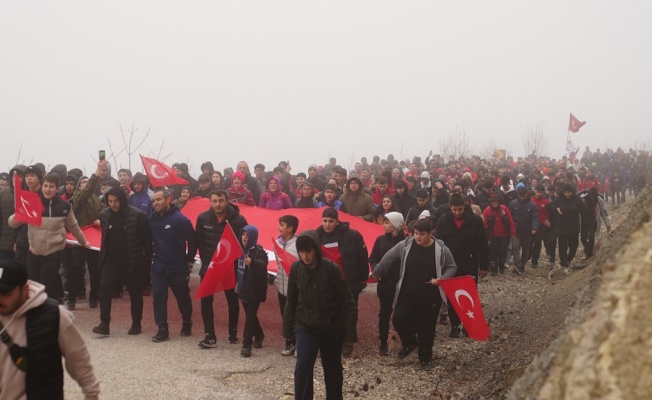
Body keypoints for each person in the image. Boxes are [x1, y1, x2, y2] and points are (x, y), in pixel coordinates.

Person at [0, 259, 100, 399]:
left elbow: (79, 360)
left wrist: (92, 394)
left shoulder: (55, 316)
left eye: (7, 294)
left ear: (25, 289)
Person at [372, 218, 457, 370]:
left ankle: (425, 358)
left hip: (430, 293)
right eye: (416, 233)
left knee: (427, 326)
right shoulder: (406, 244)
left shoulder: (441, 249)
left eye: (422, 234)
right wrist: (377, 272)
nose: (418, 237)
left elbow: (452, 267)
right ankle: (410, 341)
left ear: (431, 233)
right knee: (398, 319)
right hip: (408, 291)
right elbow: (389, 256)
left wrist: (442, 279)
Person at [282, 231, 355, 400]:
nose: (305, 256)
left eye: (308, 251)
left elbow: (348, 303)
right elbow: (291, 300)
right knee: (303, 367)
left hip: (331, 327)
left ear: (316, 249)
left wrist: (349, 336)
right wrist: (287, 327)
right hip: (305, 325)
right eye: (301, 252)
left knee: (333, 369)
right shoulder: (296, 268)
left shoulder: (332, 269)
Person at [9, 173, 90, 300]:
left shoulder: (65, 207)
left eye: (51, 187)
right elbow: (12, 223)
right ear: (42, 187)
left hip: (53, 252)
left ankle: (49, 312)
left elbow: (74, 227)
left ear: (57, 189)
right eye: (45, 186)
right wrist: (15, 218)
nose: (47, 189)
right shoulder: (31, 203)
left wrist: (83, 241)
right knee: (33, 287)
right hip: (34, 251)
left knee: (47, 285)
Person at [92, 186, 152, 336]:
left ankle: (136, 323)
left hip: (131, 261)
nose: (113, 204)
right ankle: (104, 324)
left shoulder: (137, 215)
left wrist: (147, 260)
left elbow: (146, 241)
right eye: (110, 201)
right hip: (110, 261)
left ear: (122, 200)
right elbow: (105, 238)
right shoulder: (105, 215)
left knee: (135, 294)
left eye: (116, 201)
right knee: (104, 290)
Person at [195, 189, 247, 348]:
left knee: (232, 300)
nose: (218, 204)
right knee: (205, 300)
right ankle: (210, 335)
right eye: (215, 201)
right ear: (210, 202)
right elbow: (199, 242)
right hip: (209, 267)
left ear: (227, 201)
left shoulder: (239, 220)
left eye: (221, 201)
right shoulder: (202, 218)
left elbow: (244, 244)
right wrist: (206, 262)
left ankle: (232, 333)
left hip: (229, 268)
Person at [316, 207, 369, 356]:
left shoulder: (351, 235)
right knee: (328, 310)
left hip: (347, 280)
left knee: (349, 311)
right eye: (325, 221)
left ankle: (348, 340)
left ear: (337, 222)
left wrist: (362, 278)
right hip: (326, 281)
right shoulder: (316, 235)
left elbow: (362, 257)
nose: (327, 224)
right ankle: (331, 338)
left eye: (331, 221)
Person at [435, 193, 489, 337]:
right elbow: (438, 244)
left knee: (469, 294)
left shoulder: (476, 221)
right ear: (450, 207)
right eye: (454, 210)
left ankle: (468, 324)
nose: (457, 213)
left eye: (460, 209)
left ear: (464, 206)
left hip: (469, 262)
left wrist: (484, 266)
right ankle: (455, 325)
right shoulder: (443, 220)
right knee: (452, 296)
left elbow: (483, 244)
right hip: (450, 264)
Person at [148, 188, 197, 342]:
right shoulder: (150, 220)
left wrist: (189, 260)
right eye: (153, 201)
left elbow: (193, 240)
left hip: (178, 266)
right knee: (158, 296)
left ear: (168, 199)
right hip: (159, 266)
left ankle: (187, 321)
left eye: (158, 200)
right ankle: (162, 328)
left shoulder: (180, 219)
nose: (155, 203)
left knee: (182, 296)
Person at [66, 160, 107, 310]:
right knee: (76, 267)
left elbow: (105, 211)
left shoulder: (96, 199)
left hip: (94, 240)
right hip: (79, 239)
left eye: (87, 182)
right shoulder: (76, 197)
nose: (86, 183)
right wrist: (96, 174)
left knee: (95, 269)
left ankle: (94, 297)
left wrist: (100, 219)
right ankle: (71, 298)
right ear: (79, 186)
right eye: (83, 182)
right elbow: (87, 192)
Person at [368, 212, 405, 356]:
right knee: (384, 314)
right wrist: (377, 269)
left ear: (396, 224)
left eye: (387, 222)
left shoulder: (407, 241)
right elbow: (373, 258)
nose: (383, 225)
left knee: (401, 315)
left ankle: (406, 341)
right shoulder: (380, 240)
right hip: (385, 283)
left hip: (401, 284)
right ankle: (383, 343)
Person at [235, 225, 268, 357]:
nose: (244, 238)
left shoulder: (258, 251)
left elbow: (263, 265)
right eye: (243, 234)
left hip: (254, 290)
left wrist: (252, 262)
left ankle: (246, 344)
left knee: (249, 317)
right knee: (251, 316)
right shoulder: (240, 250)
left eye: (247, 235)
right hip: (243, 289)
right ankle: (259, 334)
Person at [274, 215, 299, 356]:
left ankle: (299, 344)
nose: (279, 227)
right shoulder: (277, 243)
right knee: (285, 315)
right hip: (281, 286)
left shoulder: (298, 244)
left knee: (297, 315)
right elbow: (278, 264)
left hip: (295, 288)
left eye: (281, 225)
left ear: (290, 228)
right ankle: (289, 342)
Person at [548, 183, 585, 274]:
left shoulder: (576, 199)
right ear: (563, 192)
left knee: (574, 247)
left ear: (572, 192)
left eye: (569, 192)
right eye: (565, 192)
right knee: (562, 248)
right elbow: (550, 206)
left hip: (573, 227)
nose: (567, 194)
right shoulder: (559, 198)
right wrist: (557, 208)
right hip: (562, 227)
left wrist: (576, 209)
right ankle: (564, 264)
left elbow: (584, 209)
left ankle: (568, 260)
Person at [507, 186, 539, 274]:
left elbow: (535, 218)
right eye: (521, 196)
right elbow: (509, 217)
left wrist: (534, 228)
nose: (522, 198)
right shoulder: (512, 204)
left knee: (526, 251)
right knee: (516, 248)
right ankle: (517, 266)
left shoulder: (532, 206)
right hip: (516, 231)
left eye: (524, 196)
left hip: (527, 232)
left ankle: (522, 265)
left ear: (526, 194)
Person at [483, 192, 515, 276]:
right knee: (493, 253)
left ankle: (501, 267)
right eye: (493, 201)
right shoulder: (487, 211)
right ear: (490, 201)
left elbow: (511, 221)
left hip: (504, 235)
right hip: (493, 236)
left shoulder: (504, 209)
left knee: (503, 252)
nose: (495, 203)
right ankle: (494, 269)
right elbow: (484, 224)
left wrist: (513, 232)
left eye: (496, 201)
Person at [579, 187, 612, 260]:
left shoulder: (599, 201)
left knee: (591, 237)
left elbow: (604, 213)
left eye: (593, 197)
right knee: (583, 238)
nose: (592, 198)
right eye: (591, 197)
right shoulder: (582, 199)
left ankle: (589, 254)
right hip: (583, 222)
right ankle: (587, 249)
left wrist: (608, 225)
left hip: (593, 222)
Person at [529, 184, 552, 268]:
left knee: (537, 243)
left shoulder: (546, 202)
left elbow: (548, 213)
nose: (539, 194)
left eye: (540, 192)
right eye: (537, 192)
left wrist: (546, 219)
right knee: (529, 243)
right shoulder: (531, 201)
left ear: (543, 193)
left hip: (541, 225)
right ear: (535, 191)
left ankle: (534, 261)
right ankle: (527, 257)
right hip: (531, 225)